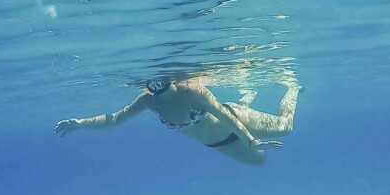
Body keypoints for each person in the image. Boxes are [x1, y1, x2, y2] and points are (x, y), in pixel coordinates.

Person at [55, 74, 300, 165]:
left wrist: (250, 140)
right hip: (219, 143)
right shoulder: (148, 100)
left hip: (238, 121)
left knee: (286, 127)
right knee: (260, 163)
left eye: (162, 81)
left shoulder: (193, 91)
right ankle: (246, 100)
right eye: (152, 84)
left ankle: (292, 86)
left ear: (172, 80)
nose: (156, 86)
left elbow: (224, 116)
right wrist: (80, 123)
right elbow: (114, 119)